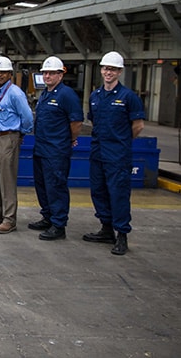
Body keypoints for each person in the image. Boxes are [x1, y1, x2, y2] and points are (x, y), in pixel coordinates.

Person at [83, 51, 145, 256]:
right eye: (105, 68)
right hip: (98, 152)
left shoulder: (128, 97)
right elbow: (93, 120)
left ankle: (122, 235)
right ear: (101, 70)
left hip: (118, 155)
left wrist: (122, 143)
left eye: (112, 69)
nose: (108, 72)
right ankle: (106, 229)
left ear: (119, 72)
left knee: (118, 194)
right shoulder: (95, 96)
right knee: (99, 191)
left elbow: (138, 126)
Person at [28, 56, 83, 241]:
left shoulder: (66, 95)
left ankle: (59, 225)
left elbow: (76, 122)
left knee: (56, 187)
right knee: (42, 185)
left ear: (61, 74)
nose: (48, 76)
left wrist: (70, 139)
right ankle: (48, 217)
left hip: (56, 151)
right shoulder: (45, 94)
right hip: (42, 149)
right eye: (45, 73)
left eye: (52, 73)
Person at [0, 56, 34, 234]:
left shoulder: (15, 93)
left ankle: (9, 219)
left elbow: (27, 117)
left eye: (3, 72)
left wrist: (20, 134)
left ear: (10, 74)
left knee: (7, 179)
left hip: (8, 137)